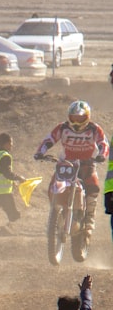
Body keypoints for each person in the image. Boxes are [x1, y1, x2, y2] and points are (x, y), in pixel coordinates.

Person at [35, 100, 108, 246]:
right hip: (67, 164)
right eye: (74, 117)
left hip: (87, 164)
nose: (77, 121)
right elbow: (49, 140)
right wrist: (40, 152)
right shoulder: (62, 128)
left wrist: (102, 155)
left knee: (93, 188)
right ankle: (55, 215)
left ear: (87, 117)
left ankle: (88, 224)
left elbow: (103, 143)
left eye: (80, 118)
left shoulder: (94, 129)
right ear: (69, 117)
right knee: (53, 184)